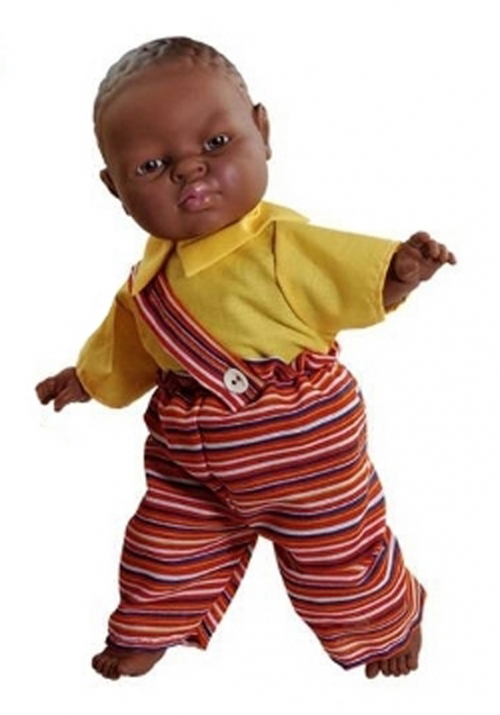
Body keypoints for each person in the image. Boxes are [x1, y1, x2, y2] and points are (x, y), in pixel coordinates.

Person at [36, 37, 456, 682]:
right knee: (164, 540)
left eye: (215, 143)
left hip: (301, 445)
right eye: (151, 165)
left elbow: (350, 281)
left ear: (262, 132)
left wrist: (399, 272)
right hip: (190, 451)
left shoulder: (283, 242)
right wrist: (87, 380)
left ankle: (388, 623)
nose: (189, 171)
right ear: (114, 188)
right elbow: (128, 347)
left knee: (334, 554)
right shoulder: (146, 283)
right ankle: (154, 624)